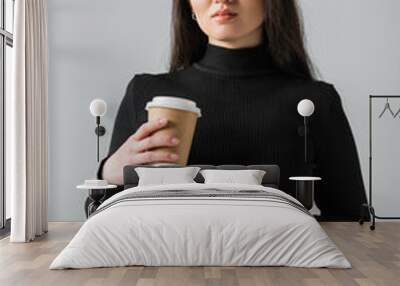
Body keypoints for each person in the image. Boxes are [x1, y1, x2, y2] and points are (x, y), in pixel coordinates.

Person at [85, 0, 368, 221]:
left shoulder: (316, 100)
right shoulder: (145, 93)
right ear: (189, 7)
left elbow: (352, 218)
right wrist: (108, 172)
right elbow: (99, 218)